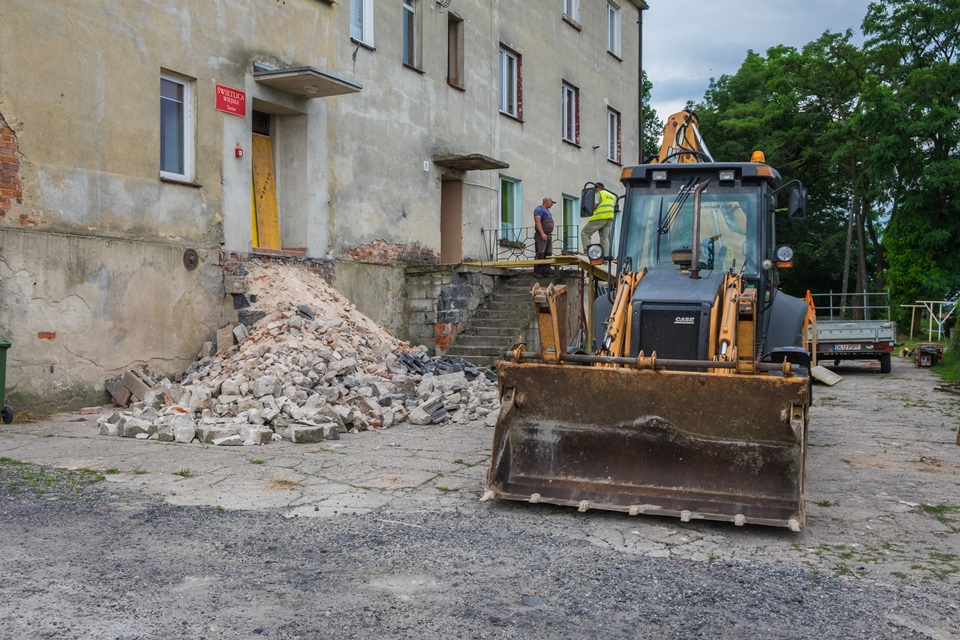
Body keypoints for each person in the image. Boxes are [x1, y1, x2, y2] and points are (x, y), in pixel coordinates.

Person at [580, 182, 616, 256]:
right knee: (604, 238)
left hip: (599, 217)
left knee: (585, 233)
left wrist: (587, 208)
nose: (594, 191)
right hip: (609, 219)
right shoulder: (612, 196)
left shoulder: (599, 193)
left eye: (595, 189)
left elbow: (594, 205)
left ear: (597, 188)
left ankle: (587, 252)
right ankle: (606, 257)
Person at [533, 196, 556, 278]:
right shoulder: (539, 209)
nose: (552, 204)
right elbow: (537, 221)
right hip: (541, 235)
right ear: (546, 201)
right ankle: (538, 272)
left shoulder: (548, 211)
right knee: (541, 253)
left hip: (548, 235)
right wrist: (542, 233)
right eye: (552, 202)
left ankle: (546, 272)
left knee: (548, 253)